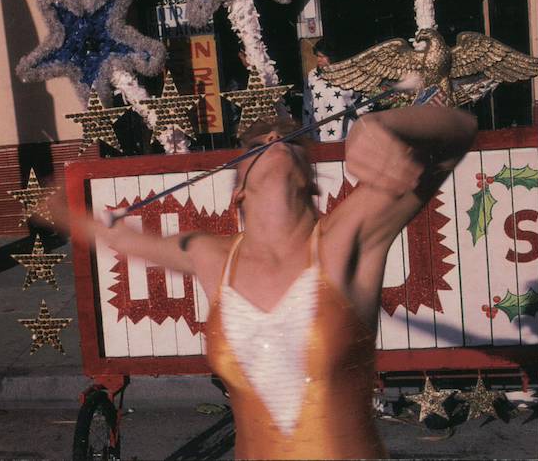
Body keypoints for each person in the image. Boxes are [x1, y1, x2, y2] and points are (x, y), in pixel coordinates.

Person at [60, 105, 477, 459]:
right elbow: (124, 239)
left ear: (311, 180)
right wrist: (68, 213)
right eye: (257, 145)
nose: (276, 136)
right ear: (238, 189)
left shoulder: (345, 239)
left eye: (291, 140)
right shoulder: (212, 257)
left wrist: (382, 124)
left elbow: (460, 131)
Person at [302, 39, 371, 141]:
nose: (318, 60)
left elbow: (368, 93)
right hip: (319, 136)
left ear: (332, 56)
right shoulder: (312, 76)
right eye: (317, 56)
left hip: (346, 134)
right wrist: (306, 129)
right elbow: (307, 105)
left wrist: (358, 112)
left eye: (322, 56)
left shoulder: (349, 74)